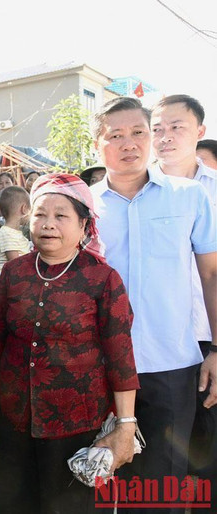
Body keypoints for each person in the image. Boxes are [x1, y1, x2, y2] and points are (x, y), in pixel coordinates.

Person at [0, 172, 139, 513]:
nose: (48, 224)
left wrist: (125, 424)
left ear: (84, 225)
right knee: (16, 505)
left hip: (76, 424)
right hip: (16, 417)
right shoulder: (15, 272)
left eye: (61, 216)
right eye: (40, 214)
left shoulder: (102, 279)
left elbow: (120, 356)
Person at [91, 97, 217, 513]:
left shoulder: (189, 197)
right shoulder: (83, 205)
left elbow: (211, 276)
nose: (129, 144)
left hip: (170, 364)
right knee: (96, 479)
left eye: (138, 132)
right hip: (98, 365)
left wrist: (216, 349)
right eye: (115, 135)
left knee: (161, 488)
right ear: (97, 144)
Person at [151, 94, 217, 484]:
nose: (166, 137)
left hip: (208, 339)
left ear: (199, 131)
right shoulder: (133, 190)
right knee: (160, 460)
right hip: (155, 347)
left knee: (208, 457)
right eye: (157, 129)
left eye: (177, 127)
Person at [0, 186, 31, 278]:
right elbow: (15, 264)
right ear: (24, 209)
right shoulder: (7, 233)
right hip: (8, 281)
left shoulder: (14, 232)